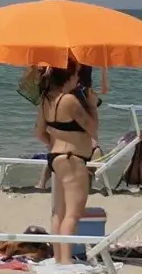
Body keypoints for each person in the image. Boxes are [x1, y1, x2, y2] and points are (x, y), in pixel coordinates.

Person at [39, 62, 99, 262]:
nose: (77, 79)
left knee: (59, 213)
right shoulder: (70, 100)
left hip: (56, 157)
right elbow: (92, 128)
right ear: (68, 78)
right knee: (73, 214)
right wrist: (91, 104)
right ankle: (65, 261)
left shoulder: (46, 100)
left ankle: (59, 258)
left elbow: (38, 133)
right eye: (75, 75)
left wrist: (57, 142)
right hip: (73, 158)